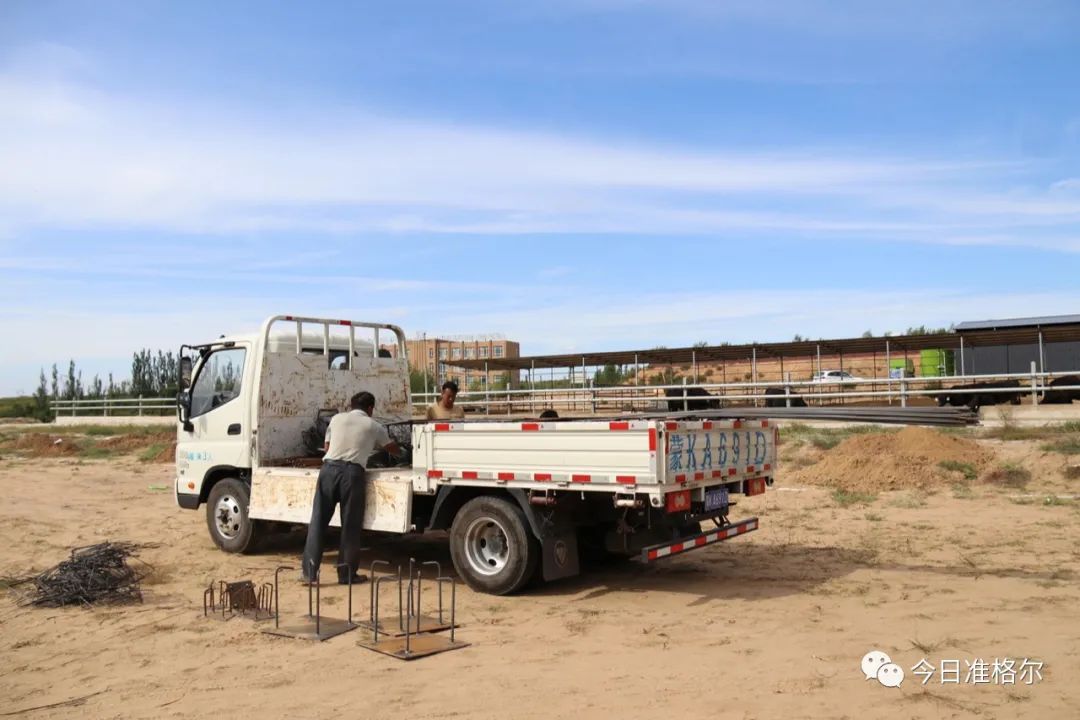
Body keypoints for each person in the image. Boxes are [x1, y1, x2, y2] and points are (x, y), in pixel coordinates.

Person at [301, 391, 400, 585]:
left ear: (352, 406)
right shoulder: (373, 425)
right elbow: (392, 449)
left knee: (318, 522)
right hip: (352, 475)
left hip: (328, 470)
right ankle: (346, 575)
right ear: (370, 408)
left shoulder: (336, 419)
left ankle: (309, 574)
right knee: (350, 526)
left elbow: (327, 444)